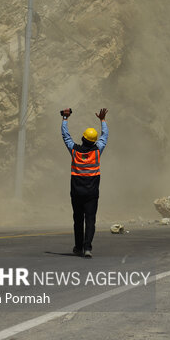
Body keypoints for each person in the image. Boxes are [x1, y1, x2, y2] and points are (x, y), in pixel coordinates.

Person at [61, 108, 109, 258]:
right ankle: (87, 248)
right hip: (92, 194)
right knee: (90, 220)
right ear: (94, 141)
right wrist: (102, 121)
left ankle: (78, 247)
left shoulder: (74, 151)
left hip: (76, 193)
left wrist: (65, 119)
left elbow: (66, 136)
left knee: (78, 220)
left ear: (82, 139)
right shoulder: (97, 151)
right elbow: (105, 136)